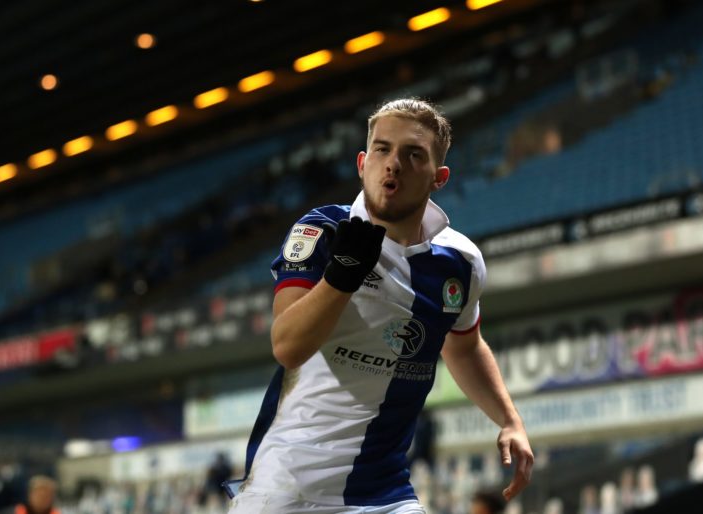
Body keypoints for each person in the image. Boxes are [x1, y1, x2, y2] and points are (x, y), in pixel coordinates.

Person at [226, 98, 534, 513]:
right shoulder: (322, 231)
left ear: (438, 177)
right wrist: (341, 276)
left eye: (413, 155)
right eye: (382, 149)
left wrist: (509, 419)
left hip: (384, 492)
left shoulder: (460, 263)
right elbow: (287, 346)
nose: (393, 164)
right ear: (362, 163)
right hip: (286, 489)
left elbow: (463, 346)